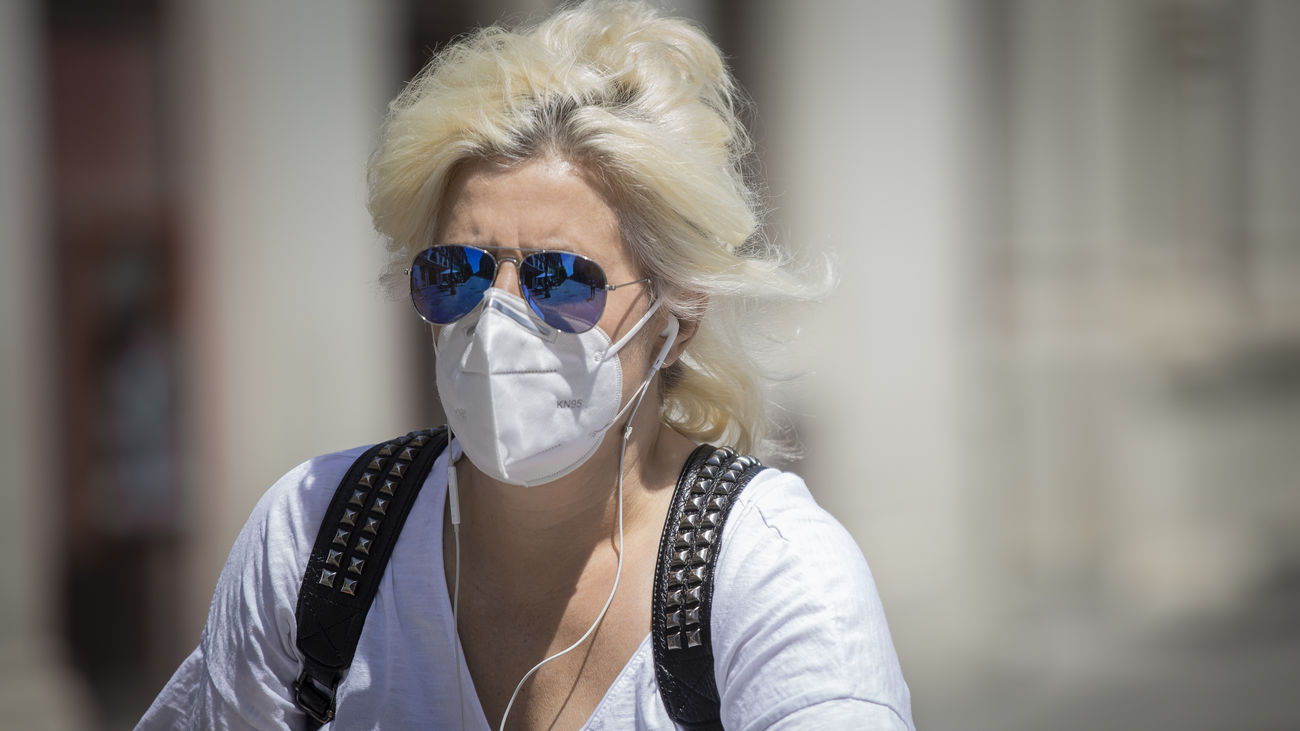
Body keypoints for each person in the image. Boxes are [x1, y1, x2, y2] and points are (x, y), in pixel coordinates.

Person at [140, 1, 913, 728]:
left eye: (560, 278)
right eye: (457, 273)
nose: (496, 316)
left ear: (676, 318)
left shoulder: (775, 576)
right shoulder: (314, 539)